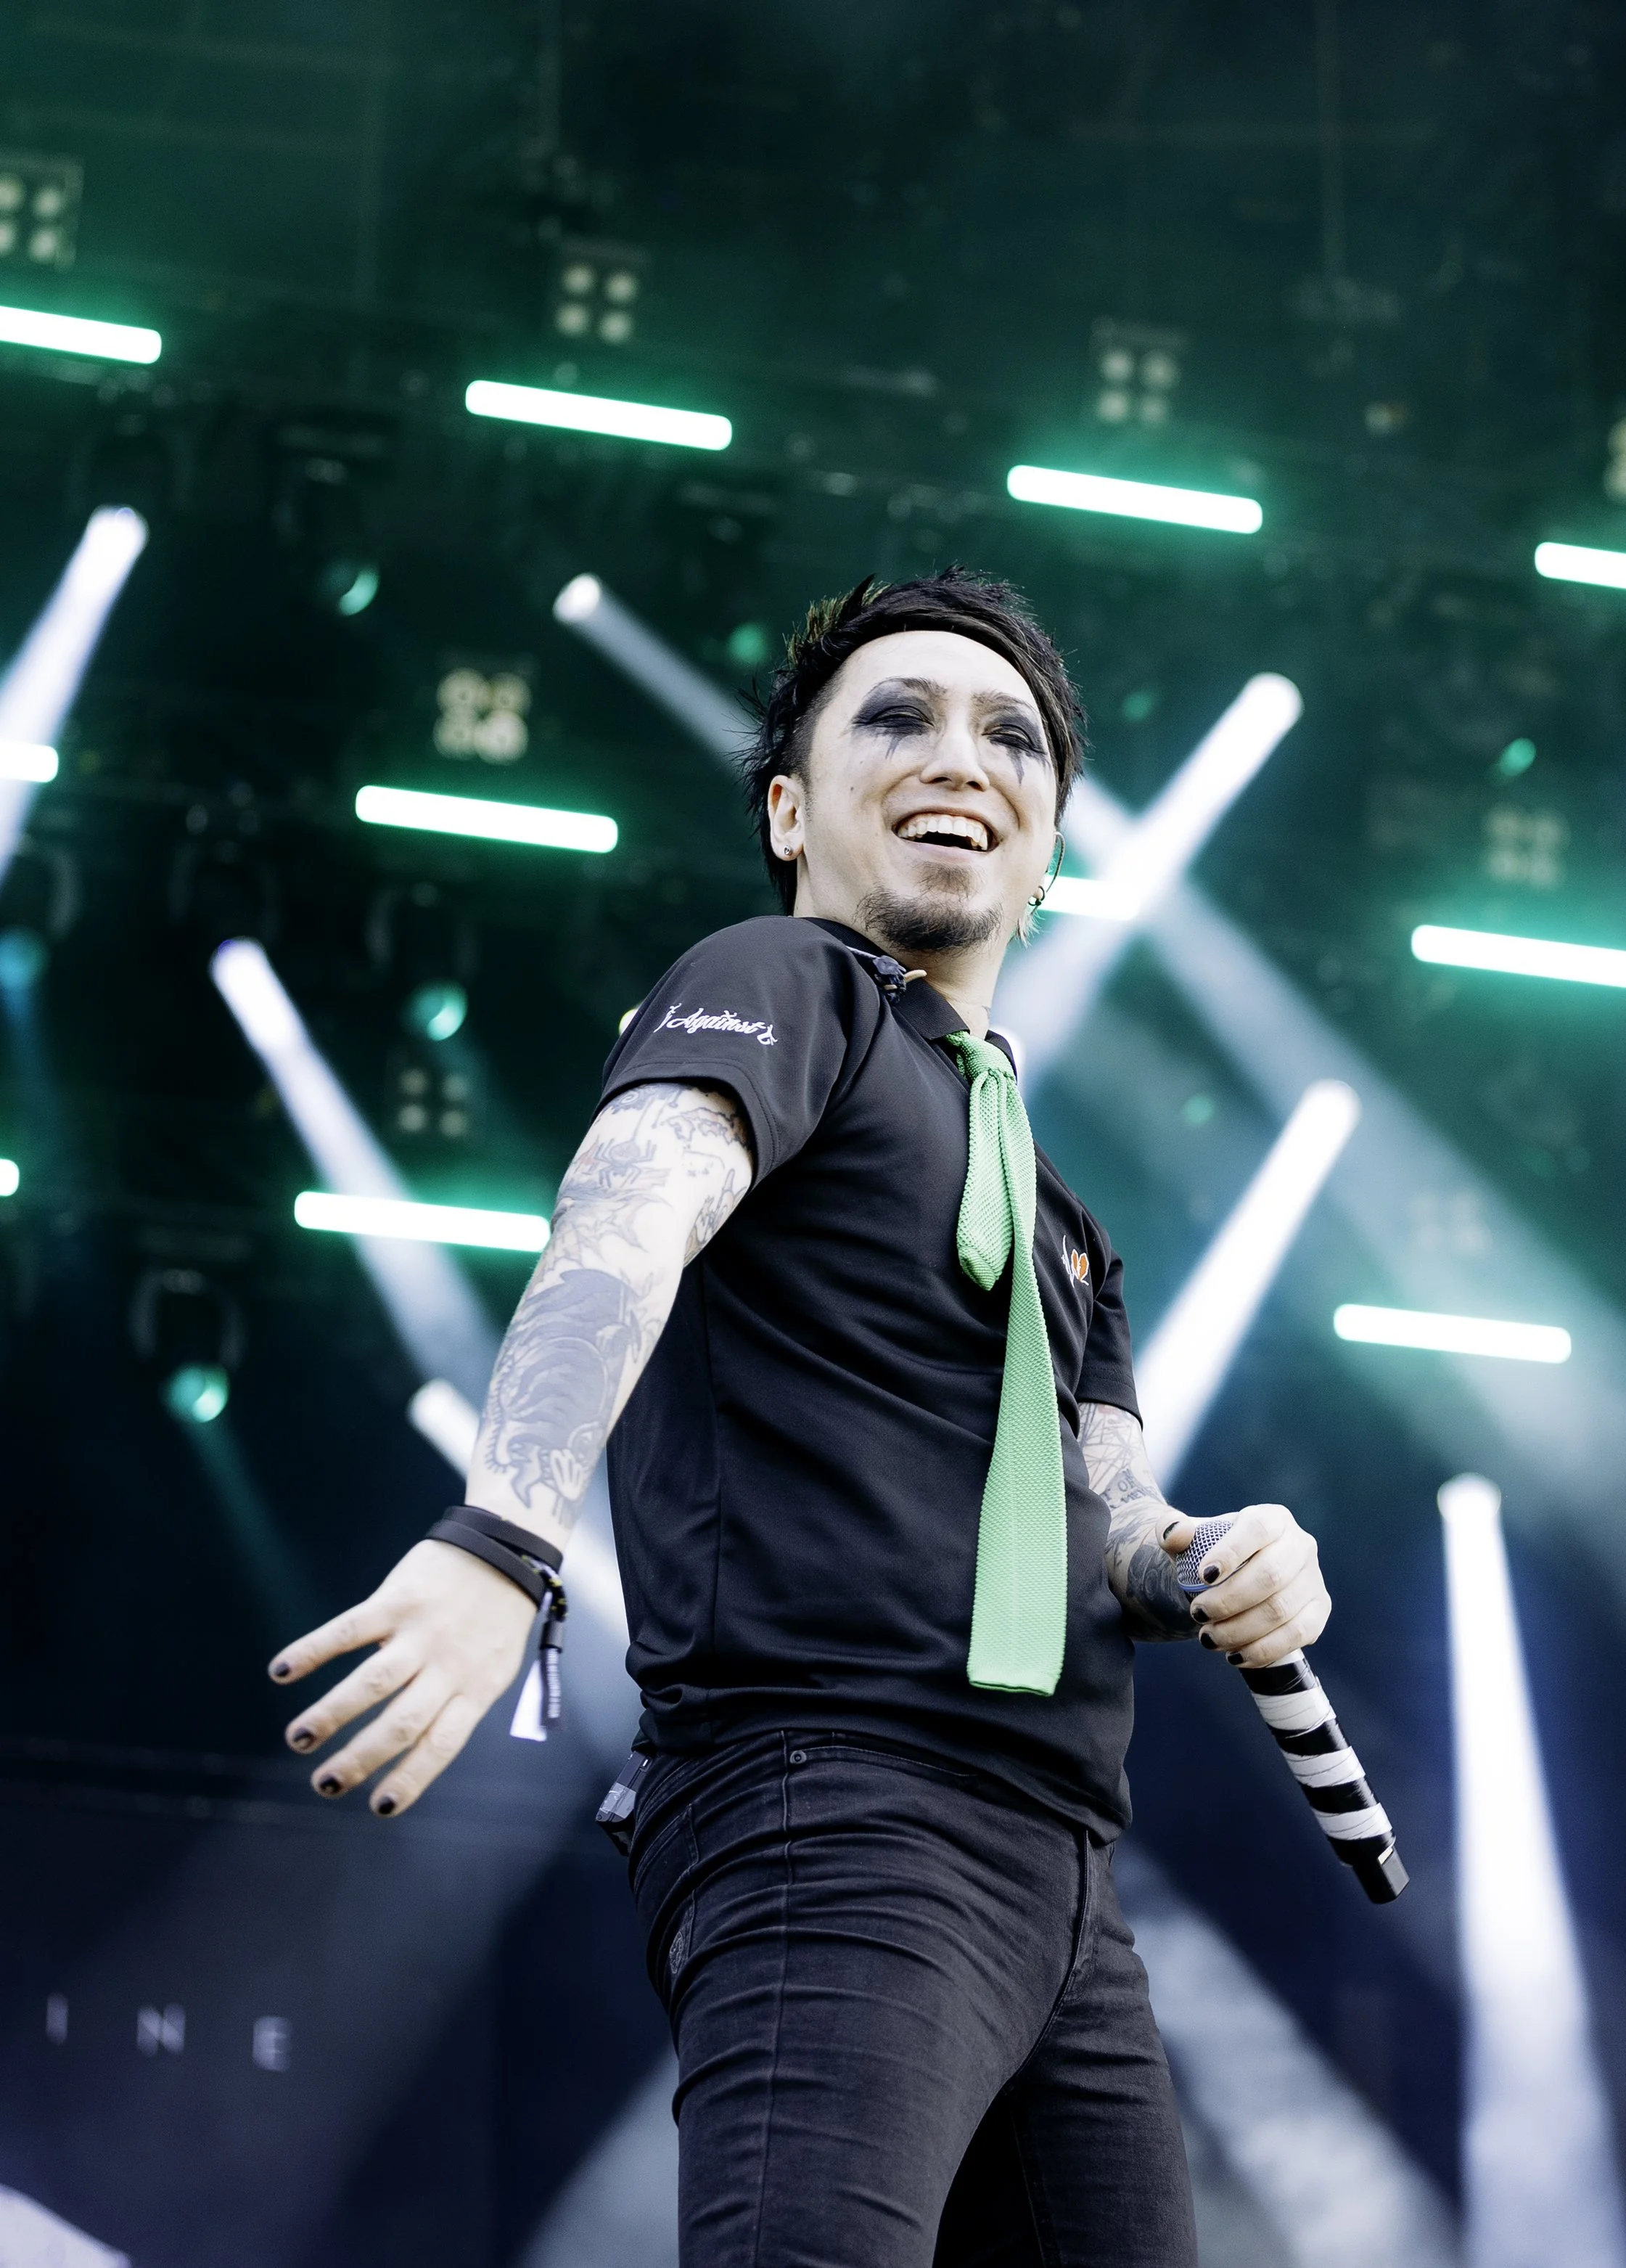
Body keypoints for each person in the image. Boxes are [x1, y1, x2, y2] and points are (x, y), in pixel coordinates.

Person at [268, 568, 1332, 2266]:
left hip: (1064, 1877)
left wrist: (1222, 1558)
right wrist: (501, 1533)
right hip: (833, 1799)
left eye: (1009, 739)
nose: (955, 755)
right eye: (893, 718)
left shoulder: (1062, 1214)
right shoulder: (783, 982)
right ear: (787, 807)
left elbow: (1115, 1511)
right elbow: (622, 1226)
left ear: (1051, 847)